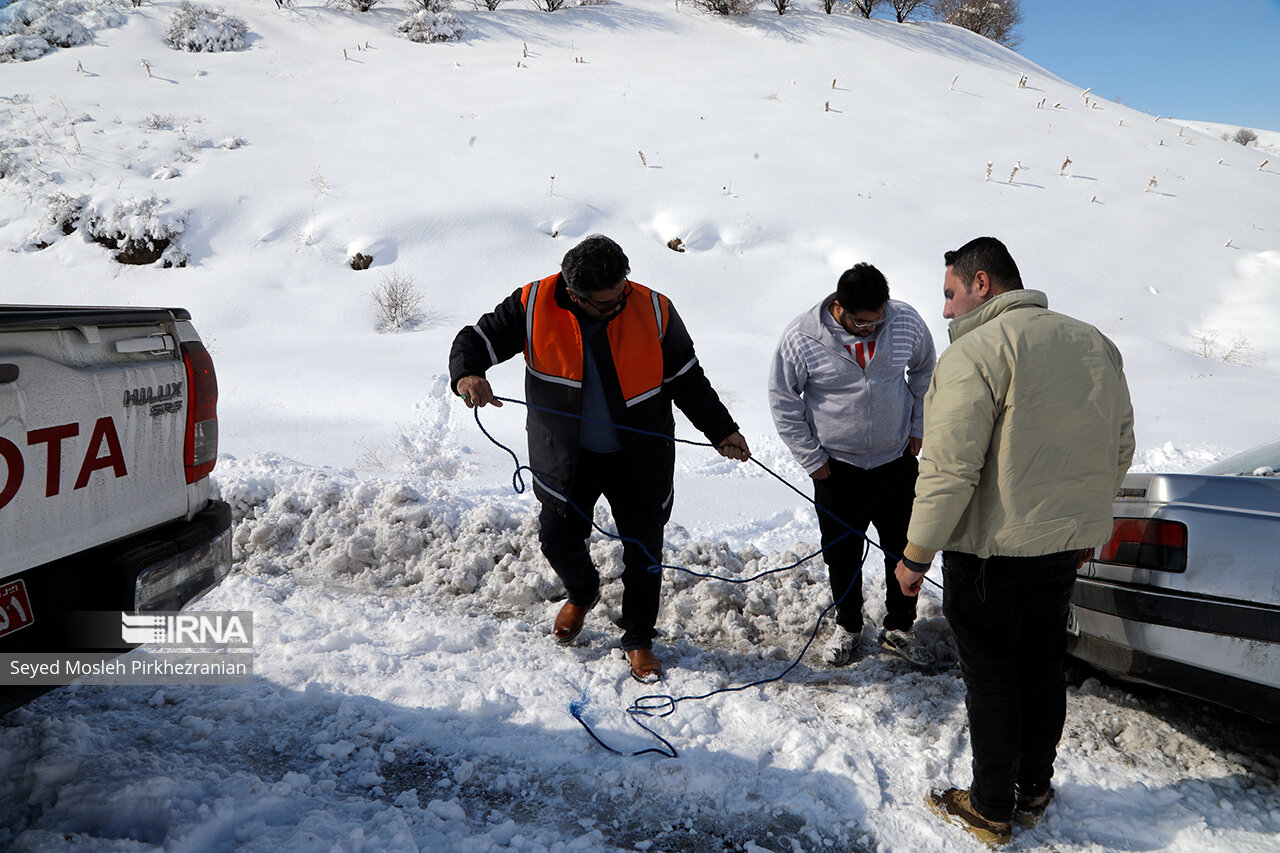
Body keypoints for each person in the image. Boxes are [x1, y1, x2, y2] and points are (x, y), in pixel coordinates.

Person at [894, 237, 1135, 845]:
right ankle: (1033, 789)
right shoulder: (1093, 343)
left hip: (989, 558)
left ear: (982, 284)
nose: (945, 311)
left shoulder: (977, 351)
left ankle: (991, 807)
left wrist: (915, 555)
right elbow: (1119, 446)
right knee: (1041, 668)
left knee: (995, 678)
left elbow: (950, 470)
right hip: (1061, 549)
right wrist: (1087, 522)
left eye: (949, 294)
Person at [449, 234, 750, 683]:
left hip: (638, 458)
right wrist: (469, 374)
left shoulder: (654, 309)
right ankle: (583, 591)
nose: (617, 304)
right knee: (556, 538)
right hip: (566, 455)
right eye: (605, 303)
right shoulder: (533, 303)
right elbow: (475, 339)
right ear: (574, 294)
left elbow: (688, 380)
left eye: (621, 293)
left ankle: (639, 639)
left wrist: (722, 430)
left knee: (644, 552)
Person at [768, 263, 937, 666]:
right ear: (840, 307)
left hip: (896, 461)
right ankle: (848, 625)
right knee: (841, 553)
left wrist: (918, 426)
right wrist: (812, 458)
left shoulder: (905, 321)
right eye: (863, 323)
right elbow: (783, 399)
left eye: (878, 320)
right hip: (836, 469)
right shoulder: (803, 337)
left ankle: (900, 627)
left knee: (904, 549)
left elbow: (926, 369)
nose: (871, 329)